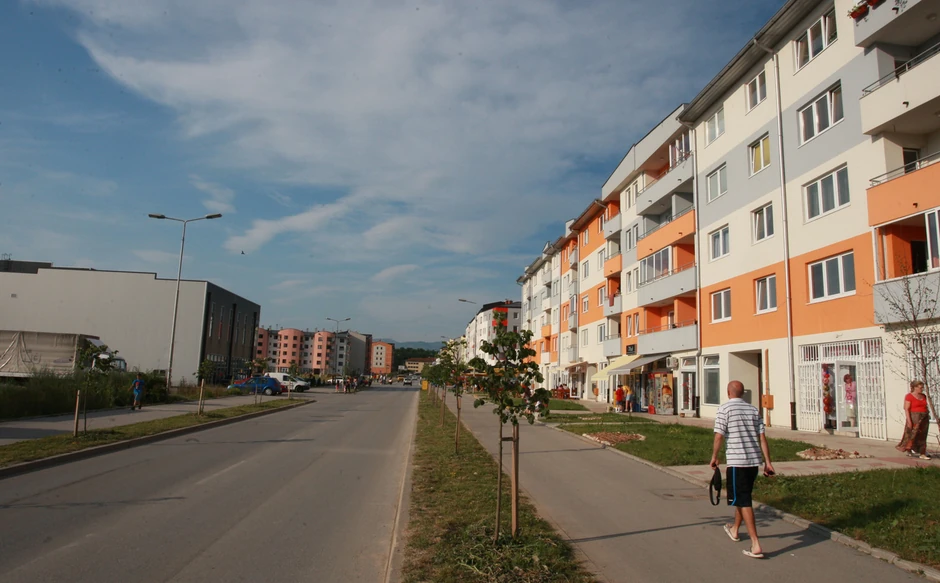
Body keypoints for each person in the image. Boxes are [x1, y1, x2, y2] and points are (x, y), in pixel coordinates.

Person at [710, 380, 775, 559]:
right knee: (742, 496)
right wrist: (768, 462)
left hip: (737, 461)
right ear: (742, 393)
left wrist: (714, 456)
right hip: (753, 462)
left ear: (728, 392)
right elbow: (762, 438)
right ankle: (735, 529)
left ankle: (755, 543)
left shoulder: (724, 409)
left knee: (744, 500)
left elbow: (719, 436)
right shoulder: (753, 410)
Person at [896, 380, 932, 460]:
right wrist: (909, 421)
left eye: (922, 387)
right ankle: (909, 449)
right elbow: (906, 409)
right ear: (915, 387)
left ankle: (922, 452)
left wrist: (927, 414)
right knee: (912, 435)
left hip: (924, 417)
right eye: (920, 387)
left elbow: (925, 406)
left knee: (922, 435)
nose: (922, 389)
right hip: (914, 417)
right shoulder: (909, 396)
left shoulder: (923, 396)